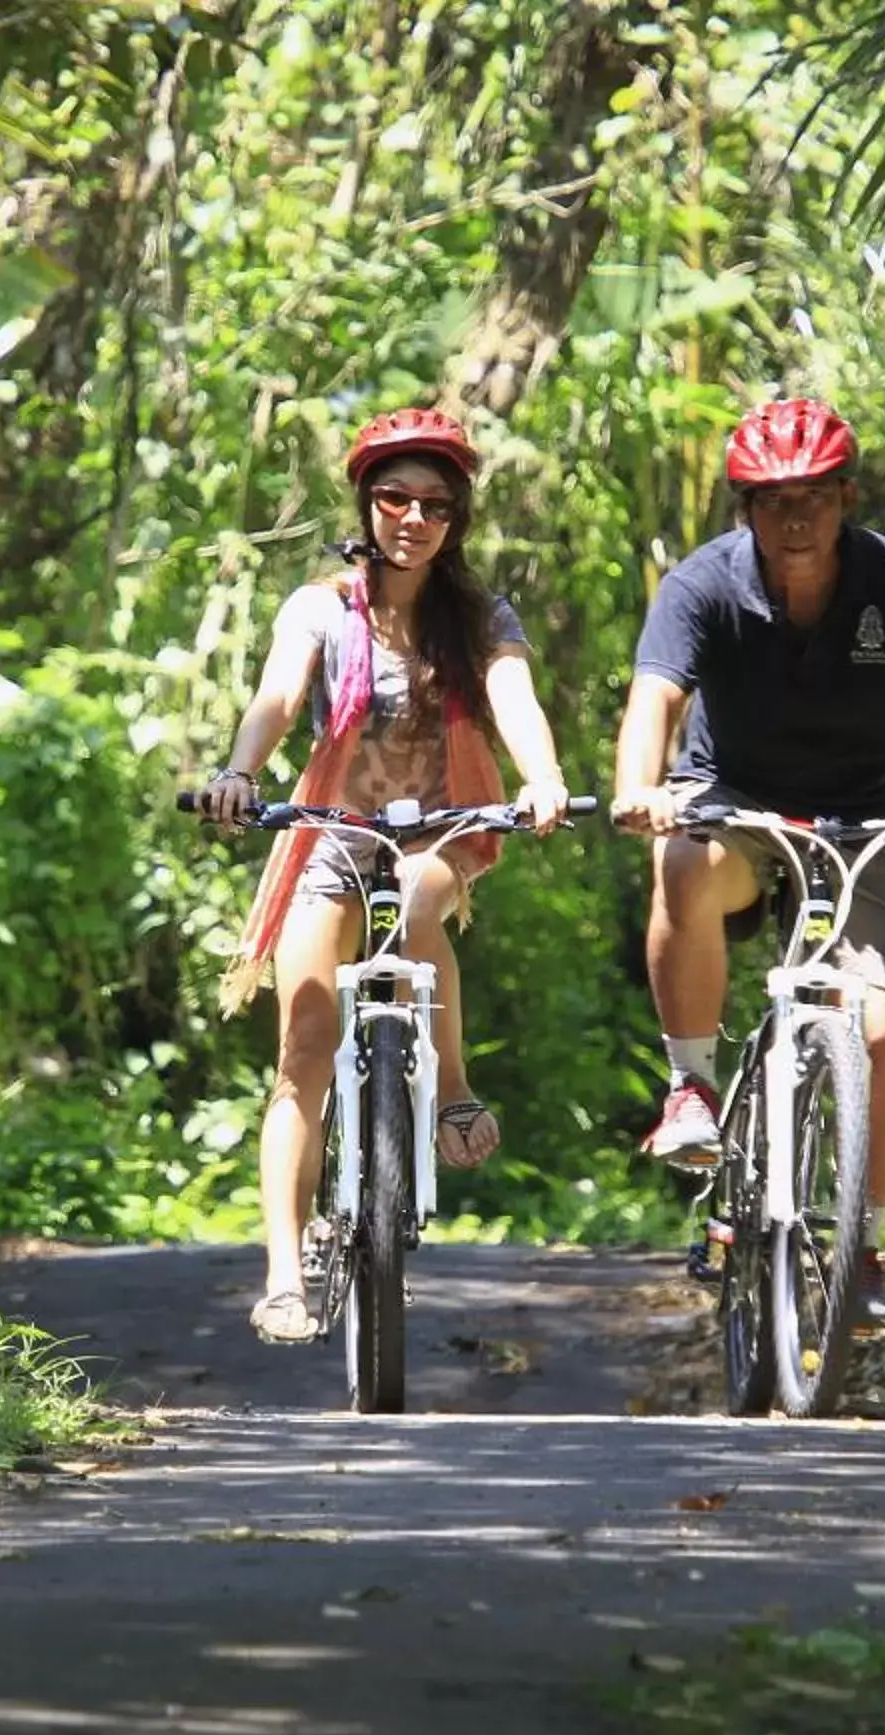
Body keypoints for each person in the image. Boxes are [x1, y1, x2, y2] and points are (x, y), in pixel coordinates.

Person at [610, 396, 885, 1322]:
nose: (793, 518)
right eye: (771, 501)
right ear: (744, 511)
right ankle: (691, 1084)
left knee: (879, 1032)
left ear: (846, 498)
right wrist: (641, 787)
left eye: (812, 497)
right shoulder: (703, 586)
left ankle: (865, 1243)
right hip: (734, 807)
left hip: (861, 823)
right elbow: (655, 700)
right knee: (682, 861)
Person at [193, 409, 574, 1345]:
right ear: (366, 503)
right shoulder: (323, 605)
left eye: (435, 505)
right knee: (304, 1052)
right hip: (329, 827)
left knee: (419, 897)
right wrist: (241, 771)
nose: (414, 517)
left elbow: (513, 699)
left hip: (442, 824)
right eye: (395, 498)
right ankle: (286, 1275)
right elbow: (280, 696)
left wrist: (544, 780)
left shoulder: (480, 616)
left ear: (458, 519)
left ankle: (448, 1085)